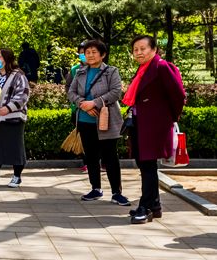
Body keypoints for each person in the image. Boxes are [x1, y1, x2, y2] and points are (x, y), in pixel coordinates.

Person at [123, 35, 186, 224]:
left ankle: (147, 207)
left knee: (148, 166)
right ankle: (155, 206)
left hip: (155, 125)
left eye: (143, 48)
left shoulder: (162, 66)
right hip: (140, 123)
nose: (139, 52)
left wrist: (169, 118)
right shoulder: (143, 69)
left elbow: (178, 94)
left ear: (153, 49)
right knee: (144, 165)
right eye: (135, 49)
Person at [68, 39, 129, 206]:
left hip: (106, 120)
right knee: (91, 156)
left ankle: (117, 192)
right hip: (85, 120)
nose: (90, 55)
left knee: (110, 156)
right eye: (87, 52)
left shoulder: (111, 71)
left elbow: (116, 92)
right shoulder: (80, 72)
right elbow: (71, 92)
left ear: (103, 54)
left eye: (94, 52)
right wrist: (83, 104)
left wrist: (95, 103)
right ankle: (96, 188)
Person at [0, 48, 30, 188]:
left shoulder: (18, 75)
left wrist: (8, 108)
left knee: (15, 147)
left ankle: (17, 176)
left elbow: (23, 94)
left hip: (12, 118)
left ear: (7, 59)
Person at [65, 44, 89, 174]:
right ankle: (86, 162)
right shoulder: (75, 70)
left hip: (96, 109)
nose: (85, 55)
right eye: (82, 52)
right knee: (82, 138)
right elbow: (68, 87)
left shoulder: (105, 70)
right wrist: (78, 102)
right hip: (78, 110)